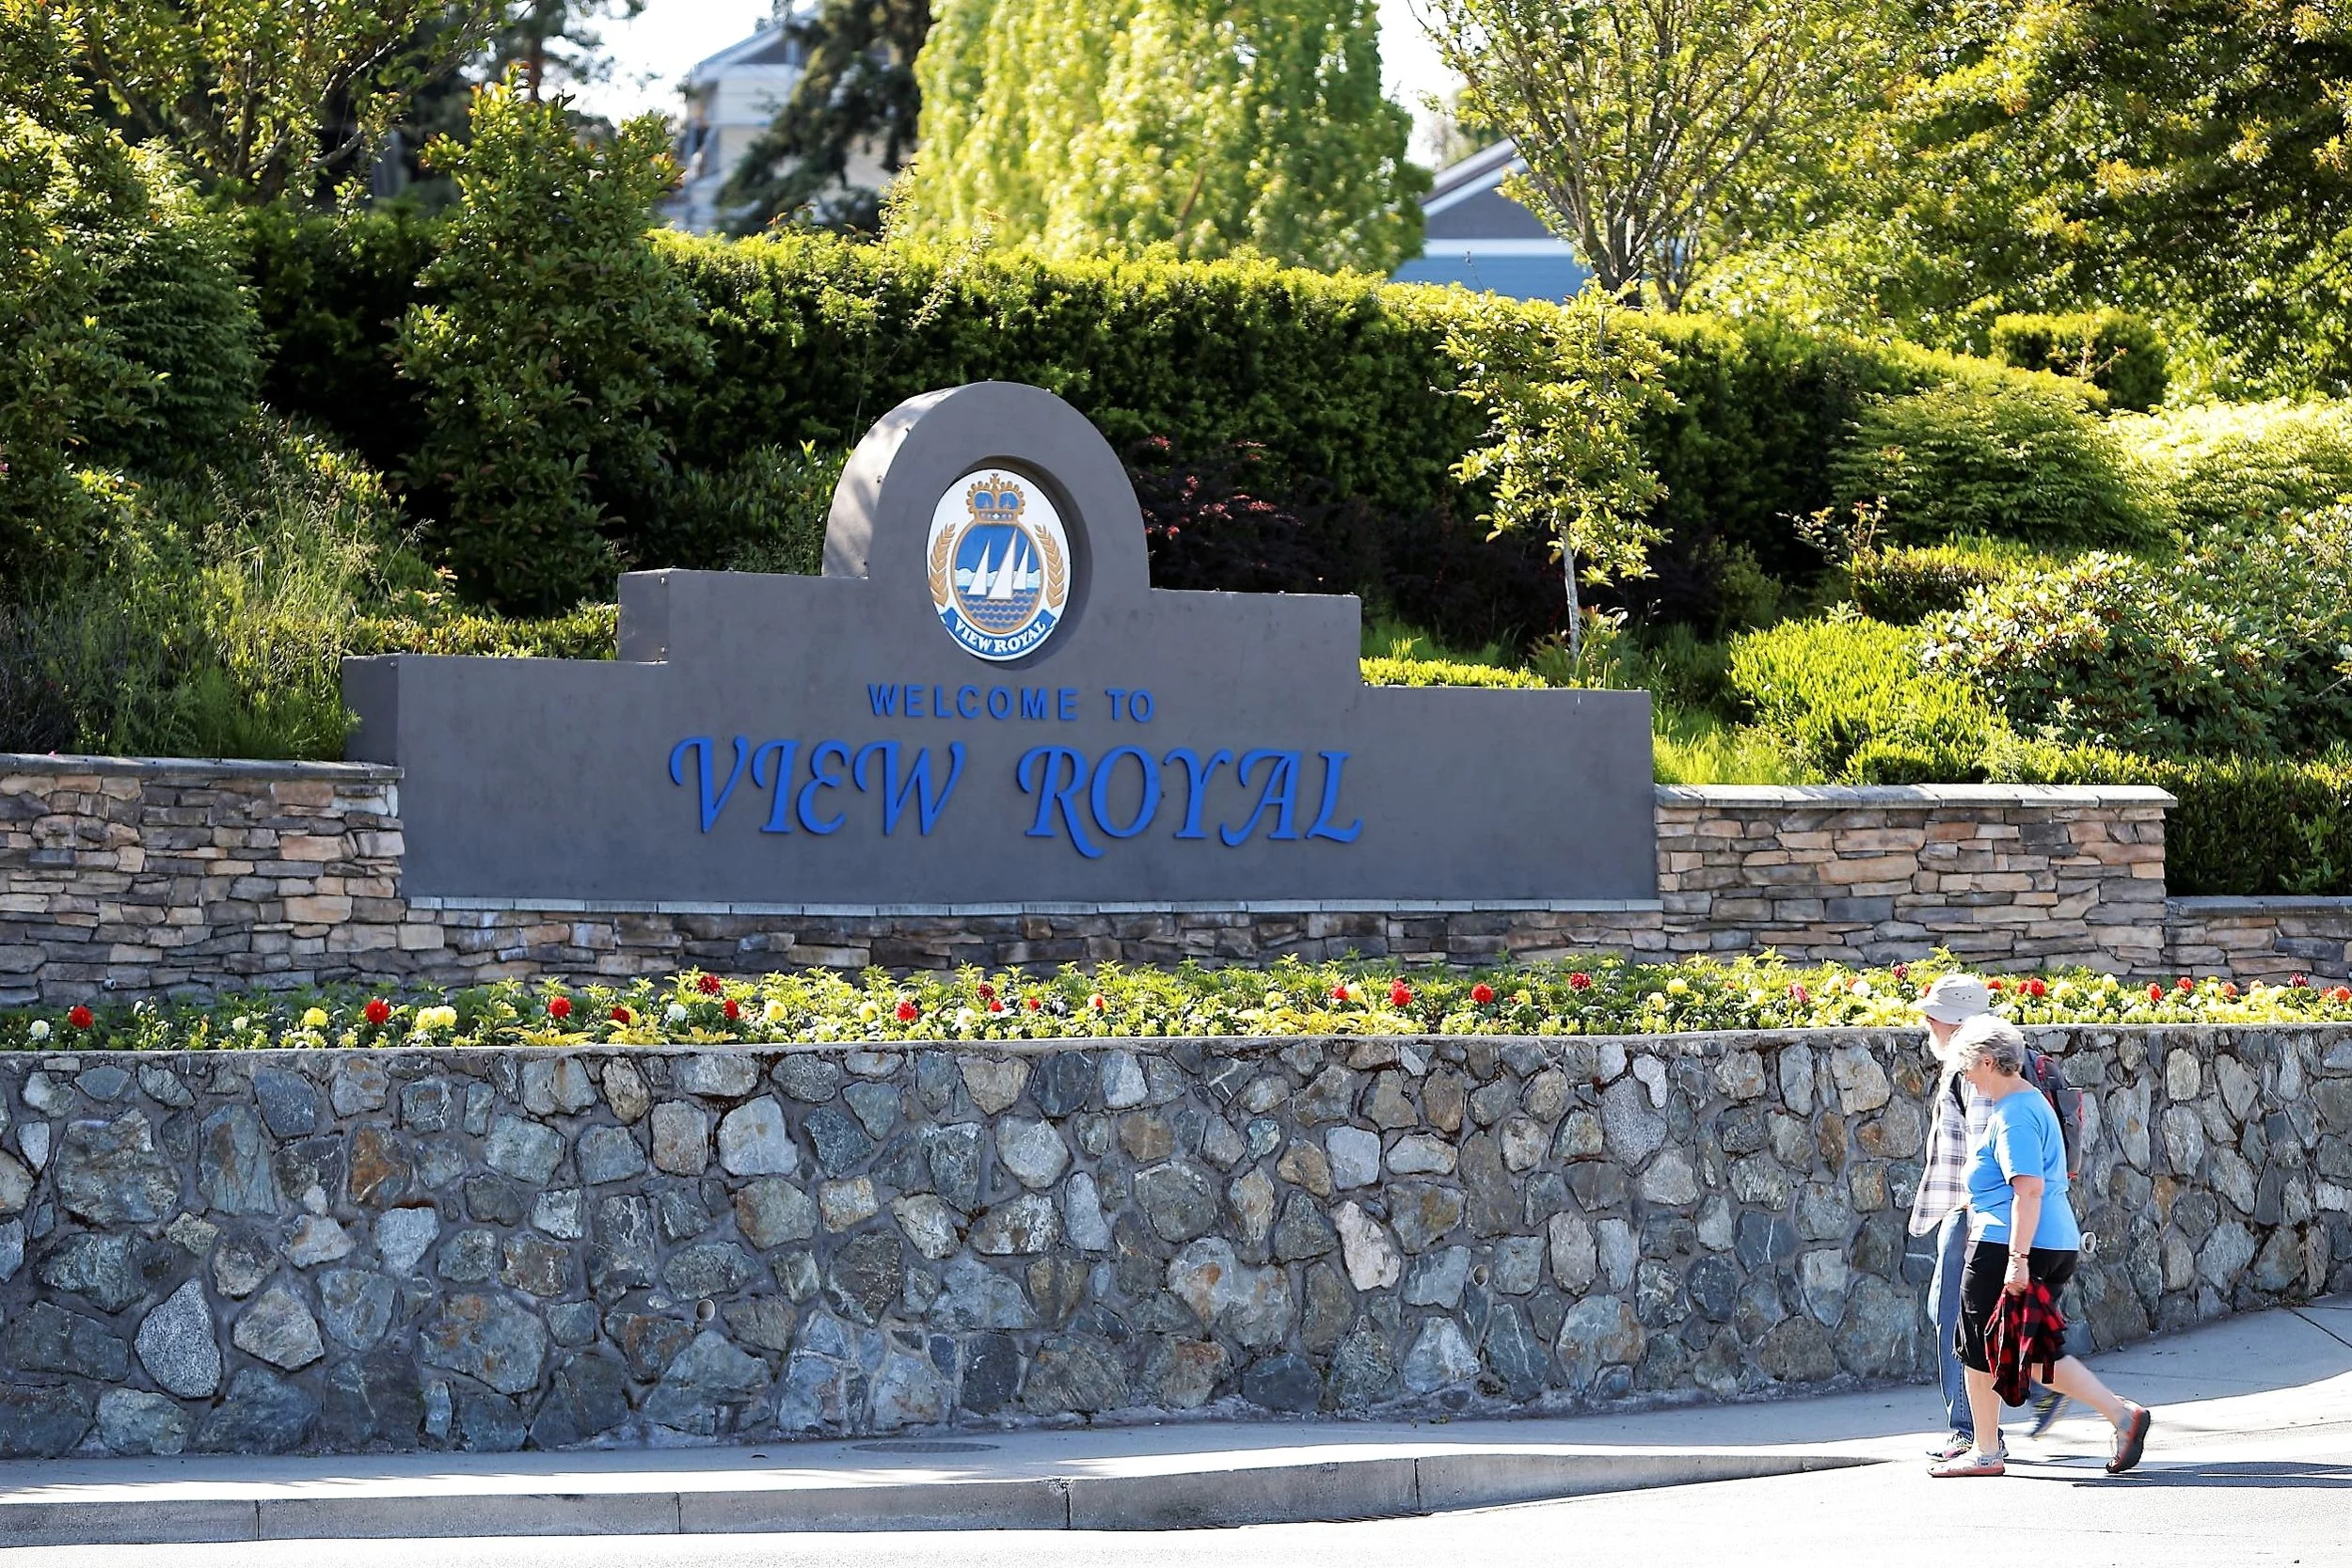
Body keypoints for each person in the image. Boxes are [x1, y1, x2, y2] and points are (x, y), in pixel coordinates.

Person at [1929, 1015, 2153, 1478]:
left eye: (1967, 1067)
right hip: (2048, 1241)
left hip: (2007, 1244)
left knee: (1977, 1346)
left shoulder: (2013, 1115)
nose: (1965, 1077)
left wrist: (2016, 1260)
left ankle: (1986, 1450)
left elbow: (2027, 1189)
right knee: (2026, 1351)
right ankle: (2121, 1416)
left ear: (1989, 1061)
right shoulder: (2030, 1105)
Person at [1907, 973, 1996, 1460]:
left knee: (1953, 1314)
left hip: (1975, 1213)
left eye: (1932, 1017)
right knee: (1959, 1313)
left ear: (1952, 1023)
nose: (1926, 1024)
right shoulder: (1969, 1064)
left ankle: (1970, 1431)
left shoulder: (1972, 1071)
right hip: (1970, 1211)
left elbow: (1986, 1152)